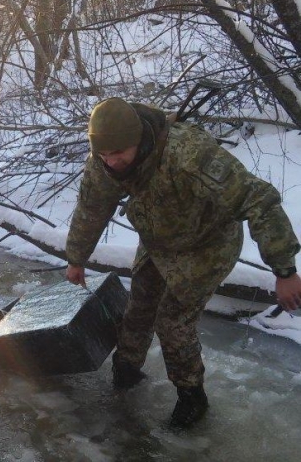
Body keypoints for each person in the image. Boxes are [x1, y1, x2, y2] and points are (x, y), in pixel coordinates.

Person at [64, 97, 301, 428]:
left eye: (119, 153)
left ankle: (192, 399)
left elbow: (257, 199)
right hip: (159, 239)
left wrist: (284, 270)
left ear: (138, 140)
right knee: (139, 309)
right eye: (104, 154)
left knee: (173, 324)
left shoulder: (188, 154)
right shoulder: (104, 161)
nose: (112, 162)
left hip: (208, 243)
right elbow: (91, 208)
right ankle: (127, 371)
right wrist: (76, 258)